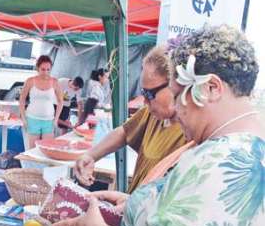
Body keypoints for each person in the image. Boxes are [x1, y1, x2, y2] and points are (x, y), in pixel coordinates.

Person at [54, 25, 264, 226]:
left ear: (212, 88)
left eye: (179, 96)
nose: (176, 109)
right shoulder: (237, 149)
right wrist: (137, 203)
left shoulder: (224, 161)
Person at [75, 47, 187, 193]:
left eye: (150, 94)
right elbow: (124, 132)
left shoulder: (193, 132)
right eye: (143, 92)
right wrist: (90, 155)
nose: (145, 101)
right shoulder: (152, 114)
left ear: (175, 85)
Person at [19, 55, 63, 148]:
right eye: (43, 69)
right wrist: (23, 118)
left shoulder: (55, 82)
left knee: (47, 149)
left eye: (48, 69)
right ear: (37, 68)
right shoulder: (30, 81)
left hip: (49, 121)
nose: (46, 72)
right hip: (32, 119)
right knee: (32, 150)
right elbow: (22, 100)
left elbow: (60, 102)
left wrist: (56, 119)